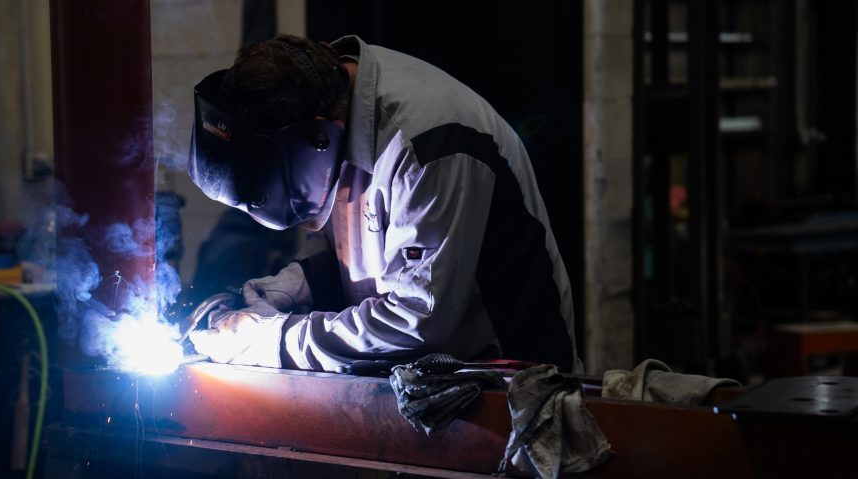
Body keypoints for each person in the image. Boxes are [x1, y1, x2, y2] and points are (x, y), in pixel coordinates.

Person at [187, 35, 581, 373]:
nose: (304, 224)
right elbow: (352, 252)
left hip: (509, 383)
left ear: (320, 136)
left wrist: (274, 339)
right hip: (427, 384)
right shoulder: (326, 103)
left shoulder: (425, 143)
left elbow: (416, 320)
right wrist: (284, 290)